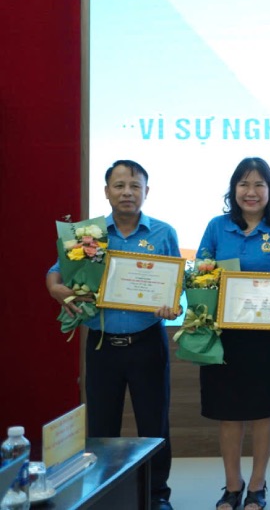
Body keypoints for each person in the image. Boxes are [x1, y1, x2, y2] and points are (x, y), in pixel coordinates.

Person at [45, 159, 180, 510]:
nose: (127, 192)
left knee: (154, 424)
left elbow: (175, 286)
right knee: (103, 426)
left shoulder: (162, 233)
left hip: (148, 343)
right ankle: (105, 494)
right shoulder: (87, 235)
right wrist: (57, 290)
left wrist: (172, 304)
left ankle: (157, 494)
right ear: (106, 192)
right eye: (119, 185)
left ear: (146, 192)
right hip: (103, 346)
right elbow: (55, 274)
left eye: (135, 186)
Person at [196, 157, 270, 510]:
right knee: (229, 413)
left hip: (268, 337)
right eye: (244, 184)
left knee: (262, 412)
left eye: (259, 185)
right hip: (224, 336)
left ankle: (257, 485)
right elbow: (201, 275)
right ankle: (231, 485)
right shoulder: (216, 227)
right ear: (233, 189)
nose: (251, 192)